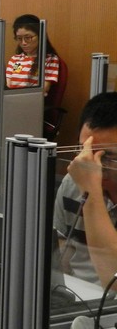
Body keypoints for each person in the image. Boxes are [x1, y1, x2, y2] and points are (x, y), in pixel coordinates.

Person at [62, 92, 117, 288]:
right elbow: (60, 258)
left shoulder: (84, 181)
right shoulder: (71, 184)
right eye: (84, 152)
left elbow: (114, 282)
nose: (92, 166)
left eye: (105, 157)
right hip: (76, 297)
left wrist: (90, 192)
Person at [6, 14, 61, 96]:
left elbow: (44, 89)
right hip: (12, 99)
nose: (23, 43)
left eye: (28, 38)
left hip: (33, 100)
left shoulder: (50, 59)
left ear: (40, 35)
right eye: (19, 38)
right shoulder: (14, 59)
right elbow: (8, 86)